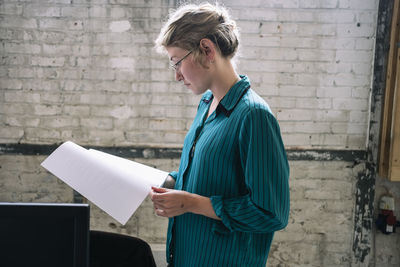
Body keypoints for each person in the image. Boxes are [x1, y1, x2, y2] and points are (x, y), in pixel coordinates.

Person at [150, 3, 290, 267]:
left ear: (206, 49)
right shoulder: (206, 104)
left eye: (177, 62)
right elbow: (212, 178)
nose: (177, 76)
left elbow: (271, 213)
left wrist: (191, 203)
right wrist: (170, 182)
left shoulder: (253, 115)